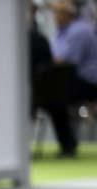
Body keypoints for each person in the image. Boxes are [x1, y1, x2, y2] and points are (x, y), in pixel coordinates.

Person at [39, 0, 97, 157]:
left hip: (89, 82)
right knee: (51, 94)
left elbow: (65, 61)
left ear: (68, 14)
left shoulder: (80, 30)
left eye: (57, 12)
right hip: (70, 78)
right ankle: (68, 144)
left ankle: (68, 145)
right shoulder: (60, 32)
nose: (54, 16)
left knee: (54, 96)